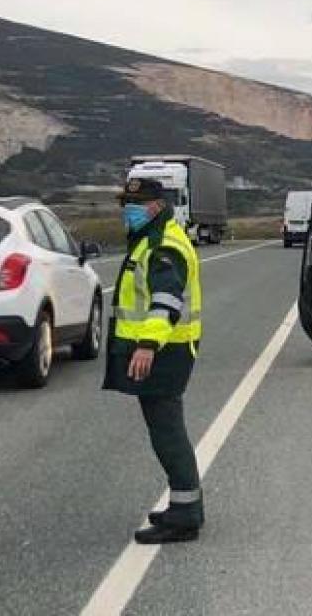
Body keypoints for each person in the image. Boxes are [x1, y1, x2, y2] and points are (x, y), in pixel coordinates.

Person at [103, 176, 205, 544]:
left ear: (156, 207)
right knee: (164, 430)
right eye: (125, 205)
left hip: (165, 350)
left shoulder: (162, 244)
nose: (127, 211)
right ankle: (184, 507)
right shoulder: (151, 238)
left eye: (135, 204)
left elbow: (166, 300)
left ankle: (185, 516)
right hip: (165, 348)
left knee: (167, 432)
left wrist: (147, 344)